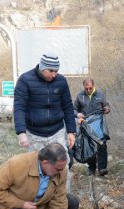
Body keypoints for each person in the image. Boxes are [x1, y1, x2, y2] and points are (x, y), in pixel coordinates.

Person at [13, 52, 76, 187]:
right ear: (42, 68)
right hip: (34, 133)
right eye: (51, 71)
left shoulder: (61, 81)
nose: (54, 74)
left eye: (56, 71)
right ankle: (39, 202)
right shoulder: (25, 80)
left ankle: (63, 200)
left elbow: (68, 107)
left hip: (57, 132)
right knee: (37, 169)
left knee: (62, 167)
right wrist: (21, 132)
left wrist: (71, 131)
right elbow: (19, 107)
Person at [73, 78, 111, 176]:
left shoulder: (100, 94)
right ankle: (92, 168)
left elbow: (106, 106)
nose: (88, 90)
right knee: (89, 146)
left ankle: (102, 168)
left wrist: (107, 109)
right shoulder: (80, 96)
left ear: (93, 86)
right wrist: (78, 115)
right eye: (86, 89)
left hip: (99, 124)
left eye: (90, 88)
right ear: (84, 87)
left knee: (102, 144)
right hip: (86, 125)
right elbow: (73, 110)